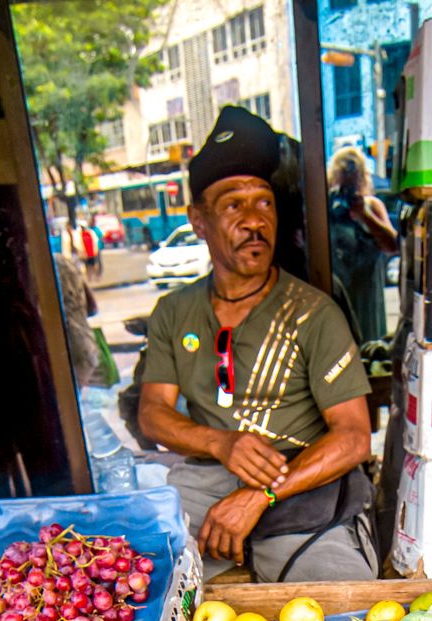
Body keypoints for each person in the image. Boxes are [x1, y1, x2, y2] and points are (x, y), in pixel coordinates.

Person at [137, 107, 377, 581]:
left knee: (336, 613)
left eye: (264, 203)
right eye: (233, 205)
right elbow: (152, 414)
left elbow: (353, 437)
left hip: (305, 481)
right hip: (205, 483)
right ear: (198, 221)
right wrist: (221, 443)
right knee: (133, 592)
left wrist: (259, 495)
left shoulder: (313, 312)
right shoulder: (174, 312)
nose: (254, 221)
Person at [326, 145, 397, 345]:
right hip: (338, 296)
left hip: (367, 299)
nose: (346, 194)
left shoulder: (372, 206)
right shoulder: (324, 207)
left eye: (351, 188)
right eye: (342, 187)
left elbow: (392, 245)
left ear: (361, 181)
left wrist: (365, 216)